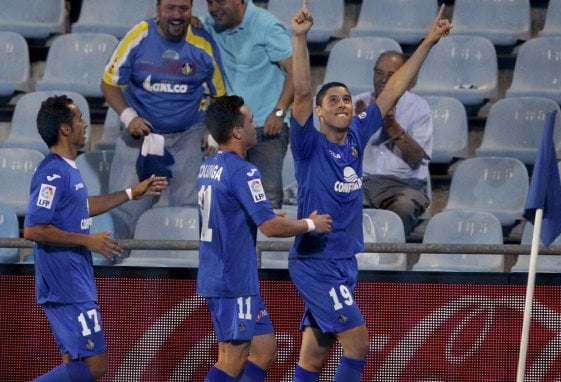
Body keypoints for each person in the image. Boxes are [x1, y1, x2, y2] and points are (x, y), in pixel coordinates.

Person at [288, 1, 451, 380]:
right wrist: (299, 38)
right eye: (334, 101)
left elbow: (394, 88)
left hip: (344, 260)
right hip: (317, 263)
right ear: (320, 113)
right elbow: (300, 93)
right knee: (358, 343)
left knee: (313, 356)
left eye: (346, 99)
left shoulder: (358, 135)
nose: (343, 104)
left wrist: (428, 41)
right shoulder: (308, 144)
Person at [24, 95, 168, 381]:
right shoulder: (52, 173)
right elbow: (33, 229)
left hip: (72, 278)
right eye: (79, 118)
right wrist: (87, 240)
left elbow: (82, 207)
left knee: (76, 365)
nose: (85, 123)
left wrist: (131, 193)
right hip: (66, 282)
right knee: (94, 366)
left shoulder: (67, 170)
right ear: (65, 129)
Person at [197, 95, 332, 381]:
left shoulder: (209, 164)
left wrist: (261, 213)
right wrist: (310, 223)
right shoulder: (244, 170)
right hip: (233, 279)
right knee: (231, 361)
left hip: (225, 274)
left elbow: (229, 209)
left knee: (264, 349)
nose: (255, 125)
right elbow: (270, 228)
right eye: (250, 121)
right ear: (237, 132)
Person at [101, 0, 226, 240]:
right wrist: (129, 117)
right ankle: (120, 273)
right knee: (125, 208)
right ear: (158, 9)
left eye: (184, 8)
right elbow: (108, 84)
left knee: (193, 210)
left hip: (188, 135)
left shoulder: (203, 43)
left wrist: (211, 132)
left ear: (191, 10)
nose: (177, 15)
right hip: (140, 137)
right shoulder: (138, 36)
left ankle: (188, 272)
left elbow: (219, 95)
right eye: (170, 8)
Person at [201, 0, 294, 209]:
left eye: (220, 2)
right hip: (228, 128)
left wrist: (279, 112)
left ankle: (265, 243)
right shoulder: (209, 25)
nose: (214, 8)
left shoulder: (267, 26)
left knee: (266, 199)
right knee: (224, 198)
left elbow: (295, 71)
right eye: (209, 2)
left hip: (265, 127)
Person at [353, 51, 433, 238]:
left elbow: (416, 157)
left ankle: (384, 261)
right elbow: (341, 152)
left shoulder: (419, 108)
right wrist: (362, 125)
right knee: (339, 203)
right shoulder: (357, 103)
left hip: (404, 186)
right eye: (379, 73)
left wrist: (391, 124)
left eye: (391, 75)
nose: (382, 80)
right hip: (362, 182)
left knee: (402, 210)